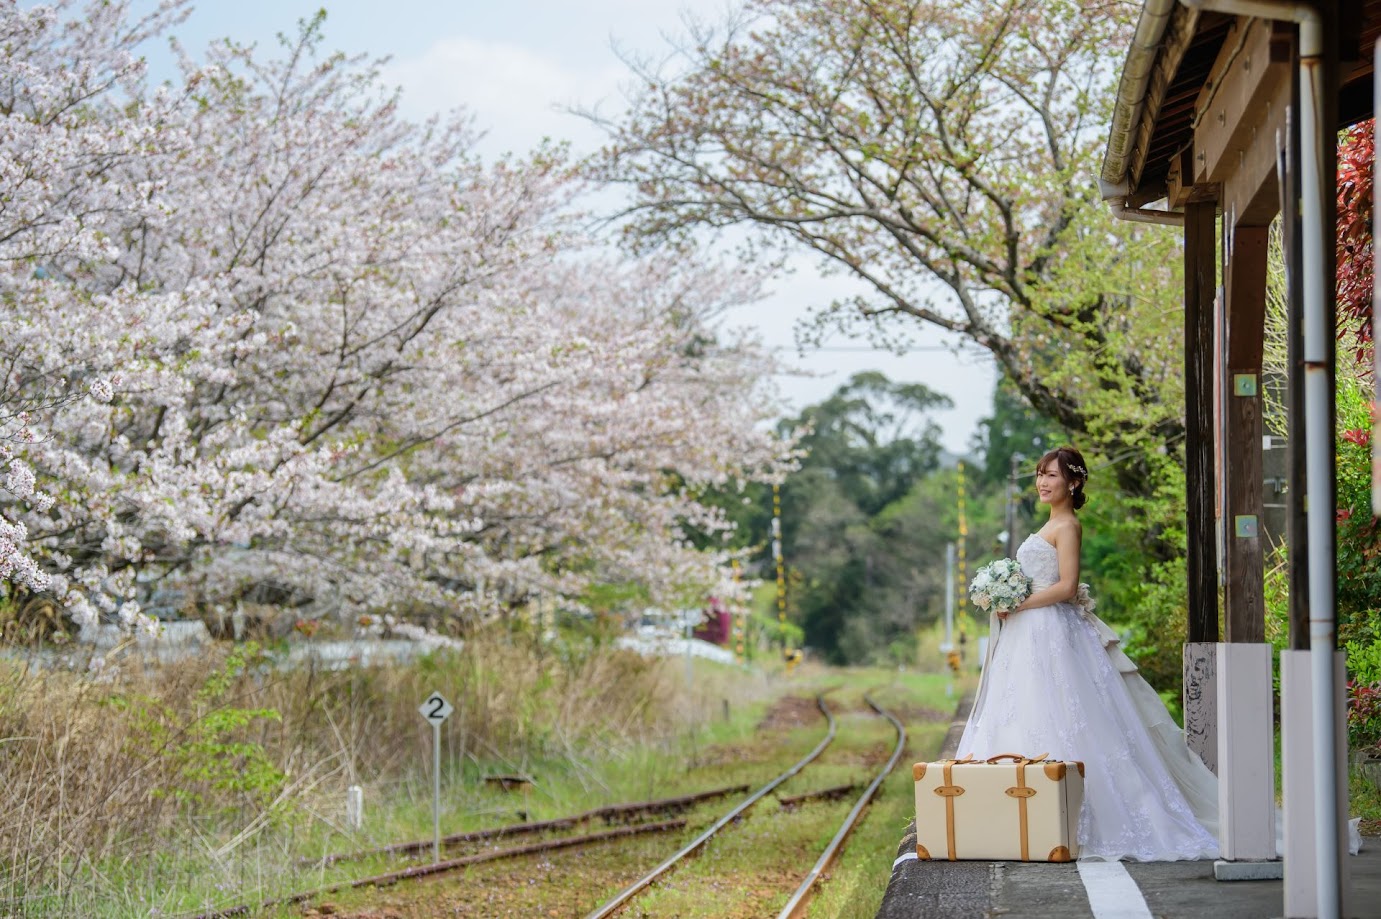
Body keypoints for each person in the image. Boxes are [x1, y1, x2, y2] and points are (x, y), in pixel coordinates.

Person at [956, 446, 1220, 862]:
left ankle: (1067, 819)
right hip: (1029, 632)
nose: (1043, 482)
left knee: (1064, 714)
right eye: (1040, 474)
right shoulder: (1049, 523)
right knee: (1021, 709)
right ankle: (1015, 818)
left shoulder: (1068, 526)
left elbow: (1065, 586)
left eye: (1052, 476)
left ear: (1073, 483)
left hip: (1050, 630)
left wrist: (1016, 603)